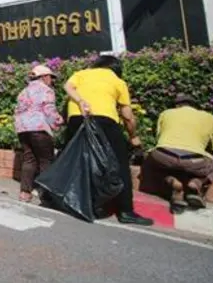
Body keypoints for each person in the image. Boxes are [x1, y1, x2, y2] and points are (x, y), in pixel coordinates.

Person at [64, 55, 153, 226]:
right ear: (116, 69)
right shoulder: (118, 81)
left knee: (81, 161)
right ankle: (126, 211)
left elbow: (67, 86)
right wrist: (134, 136)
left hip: (76, 120)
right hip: (104, 120)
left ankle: (87, 204)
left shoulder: (81, 73)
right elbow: (127, 115)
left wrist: (81, 101)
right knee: (118, 164)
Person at [146, 94, 213, 211]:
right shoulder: (212, 119)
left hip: (164, 154)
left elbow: (159, 139)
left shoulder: (166, 113)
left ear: (177, 106)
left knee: (152, 163)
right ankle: (196, 184)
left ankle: (173, 182)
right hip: (194, 160)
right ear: (195, 106)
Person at [14, 64, 63, 203]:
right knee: (45, 160)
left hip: (23, 129)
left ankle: (25, 193)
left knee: (29, 159)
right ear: (44, 77)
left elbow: (17, 111)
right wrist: (57, 122)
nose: (52, 80)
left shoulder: (23, 91)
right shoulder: (47, 90)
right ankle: (46, 196)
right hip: (40, 129)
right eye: (51, 77)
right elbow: (49, 110)